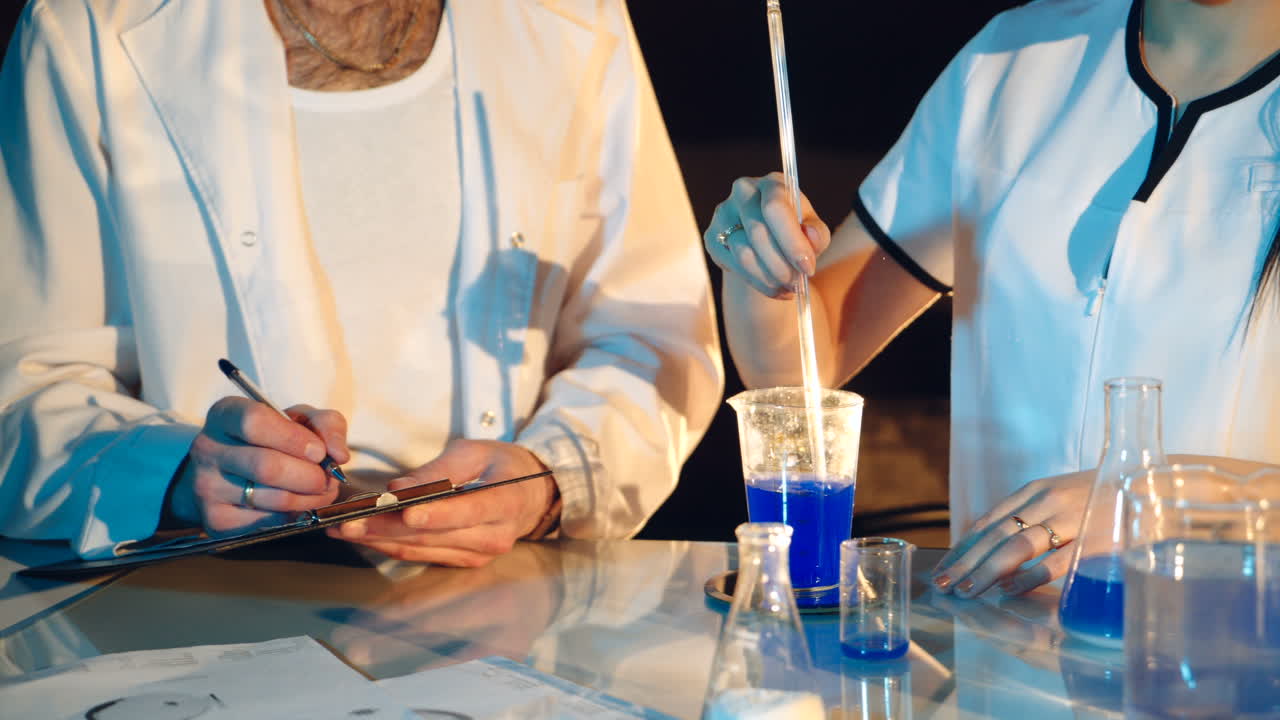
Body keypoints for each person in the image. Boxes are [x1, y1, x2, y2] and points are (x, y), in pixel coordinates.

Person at [0, 0, 723, 566]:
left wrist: (547, 479)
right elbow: (22, 389)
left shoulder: (575, 22)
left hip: (502, 605)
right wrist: (179, 477)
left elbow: (651, 340)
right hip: (190, 604)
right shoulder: (87, 28)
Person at [706, 0, 1280, 597]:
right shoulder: (1009, 64)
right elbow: (802, 367)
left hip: (1238, 656)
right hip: (999, 648)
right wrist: (759, 255)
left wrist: (1167, 497)